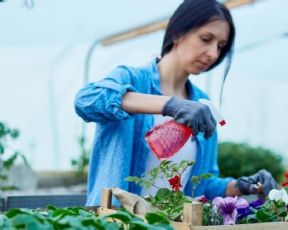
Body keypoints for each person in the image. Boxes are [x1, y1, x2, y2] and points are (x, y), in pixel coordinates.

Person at [74, 0, 277, 206]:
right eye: (206, 39)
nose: (214, 54)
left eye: (220, 47)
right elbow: (86, 100)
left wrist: (241, 186)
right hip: (116, 222)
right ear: (177, 32)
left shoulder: (202, 105)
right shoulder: (131, 79)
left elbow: (202, 185)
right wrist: (170, 105)